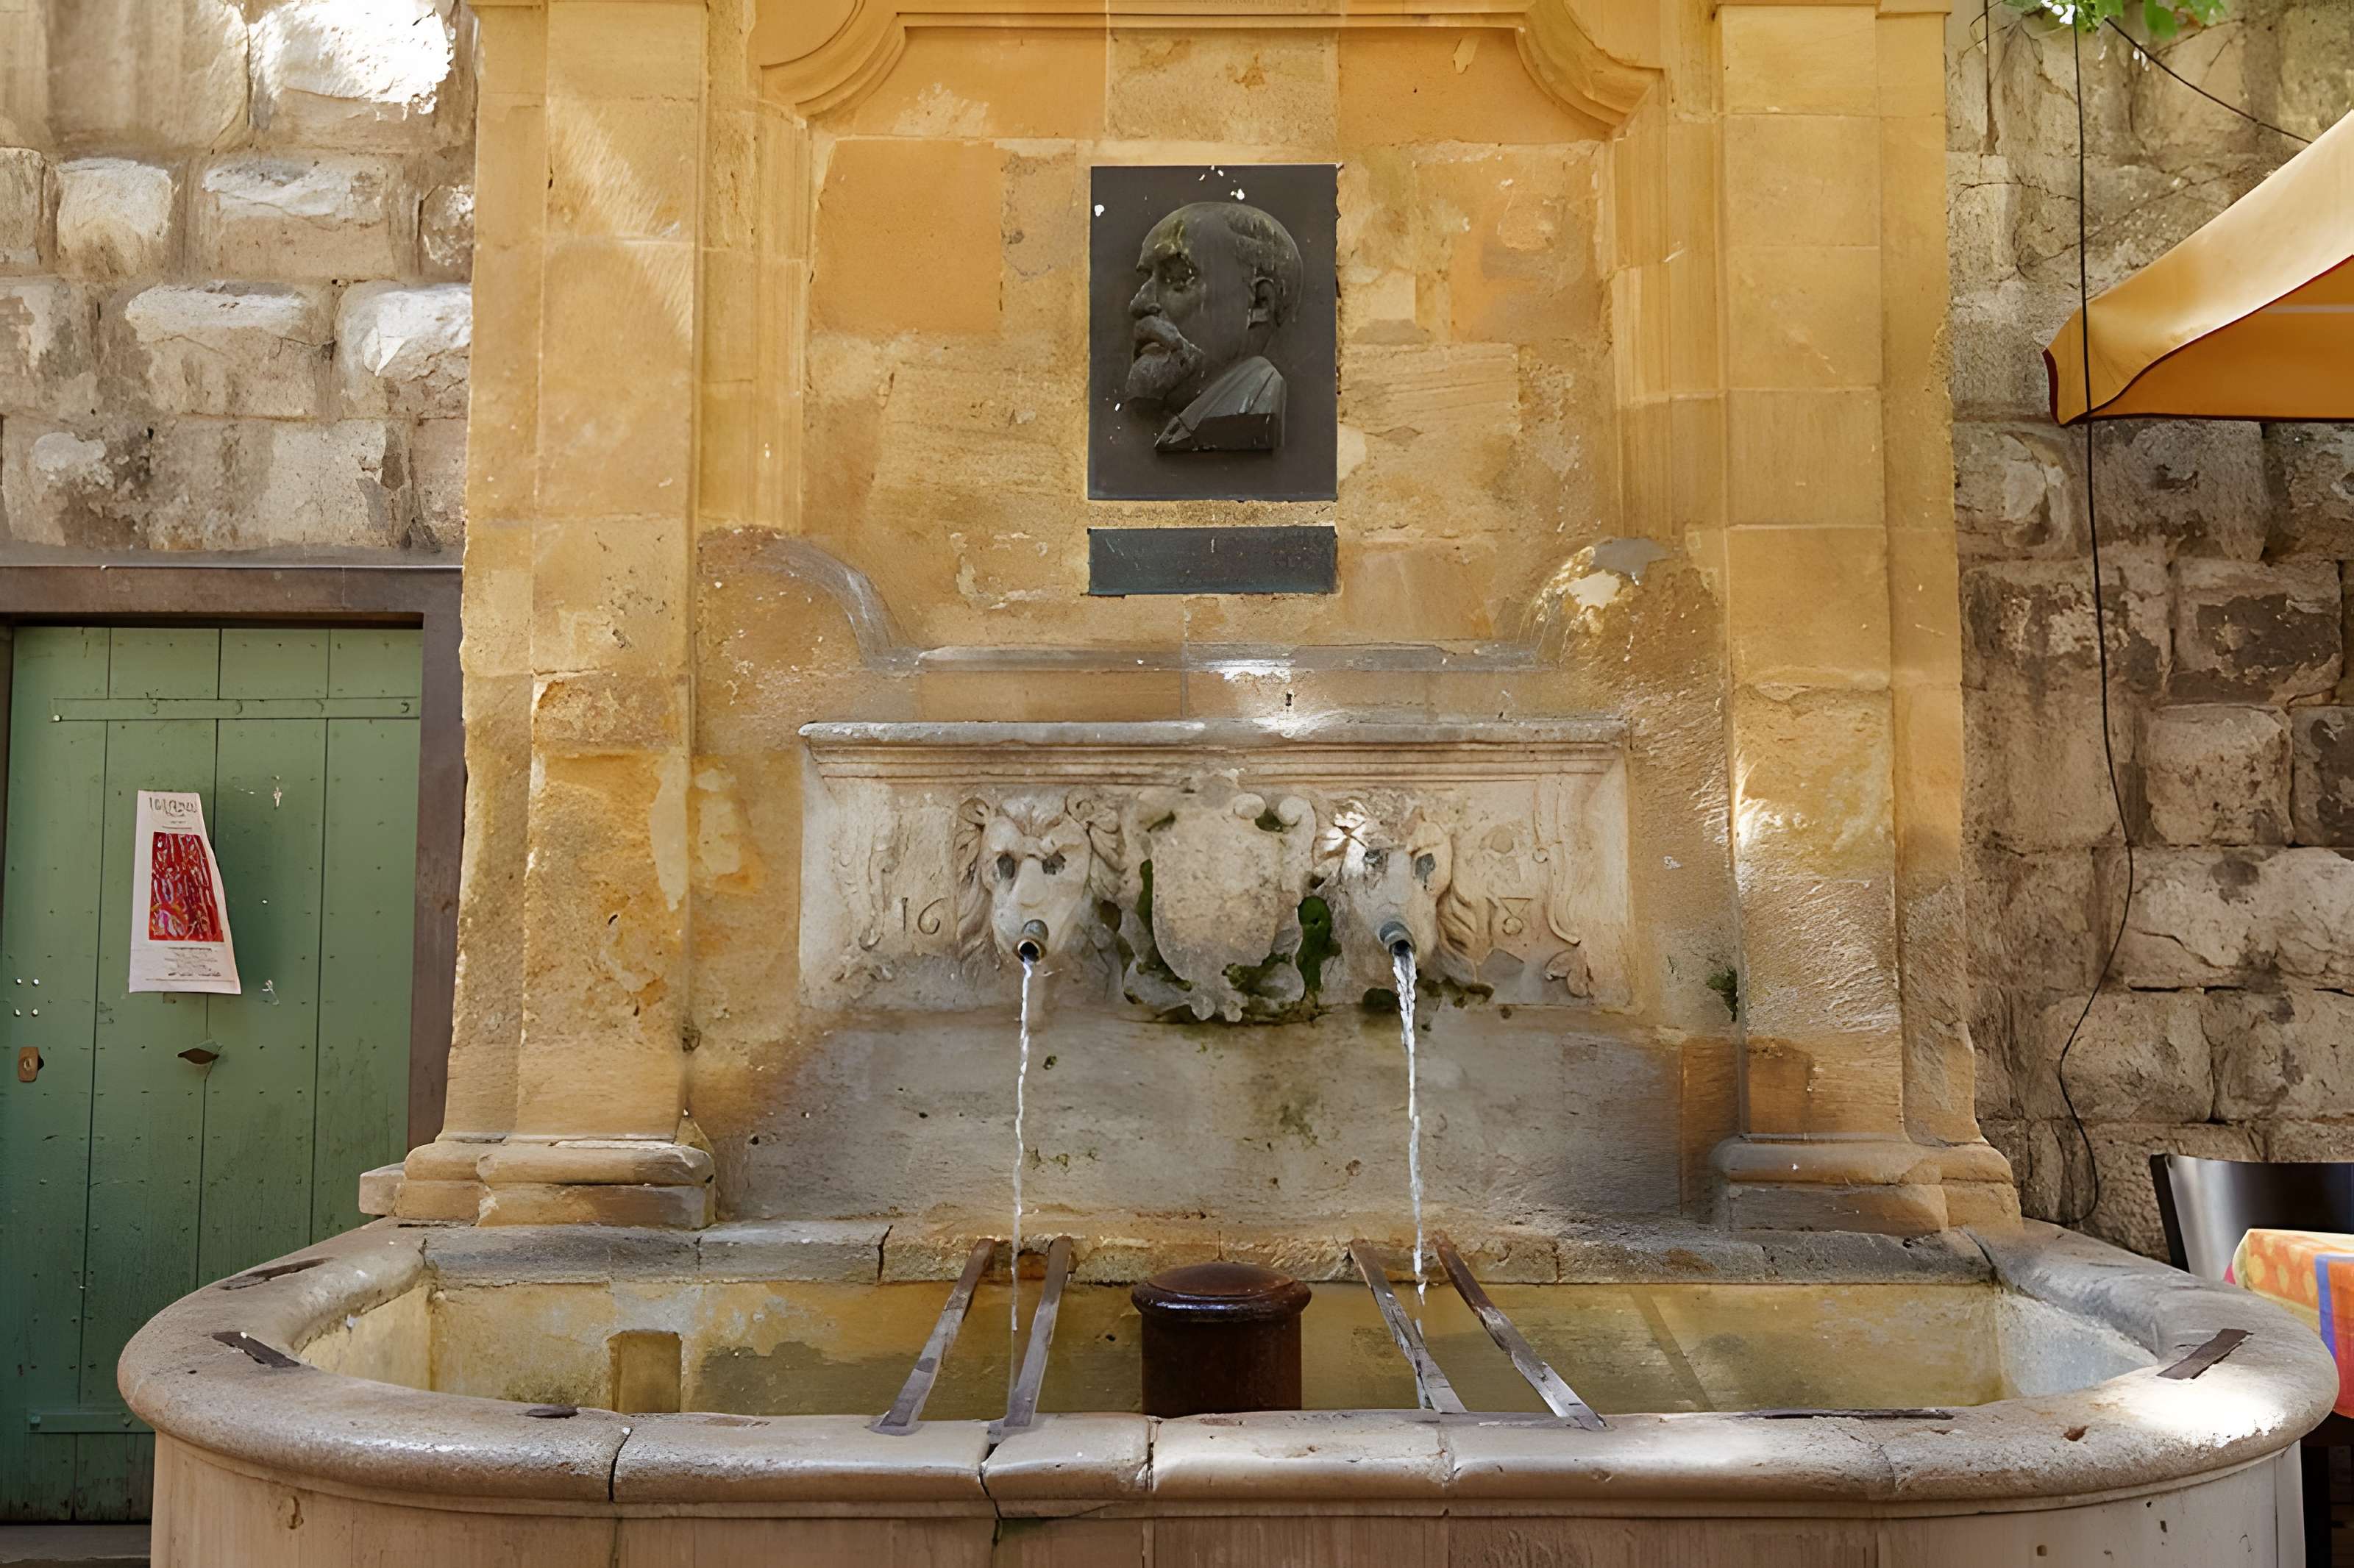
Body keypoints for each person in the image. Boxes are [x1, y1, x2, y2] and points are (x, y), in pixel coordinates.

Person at [1126, 200, 1303, 453]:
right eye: (1146, 280)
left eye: (1178, 277)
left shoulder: (1249, 417)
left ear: (1260, 302)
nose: (1139, 303)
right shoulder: (1179, 425)